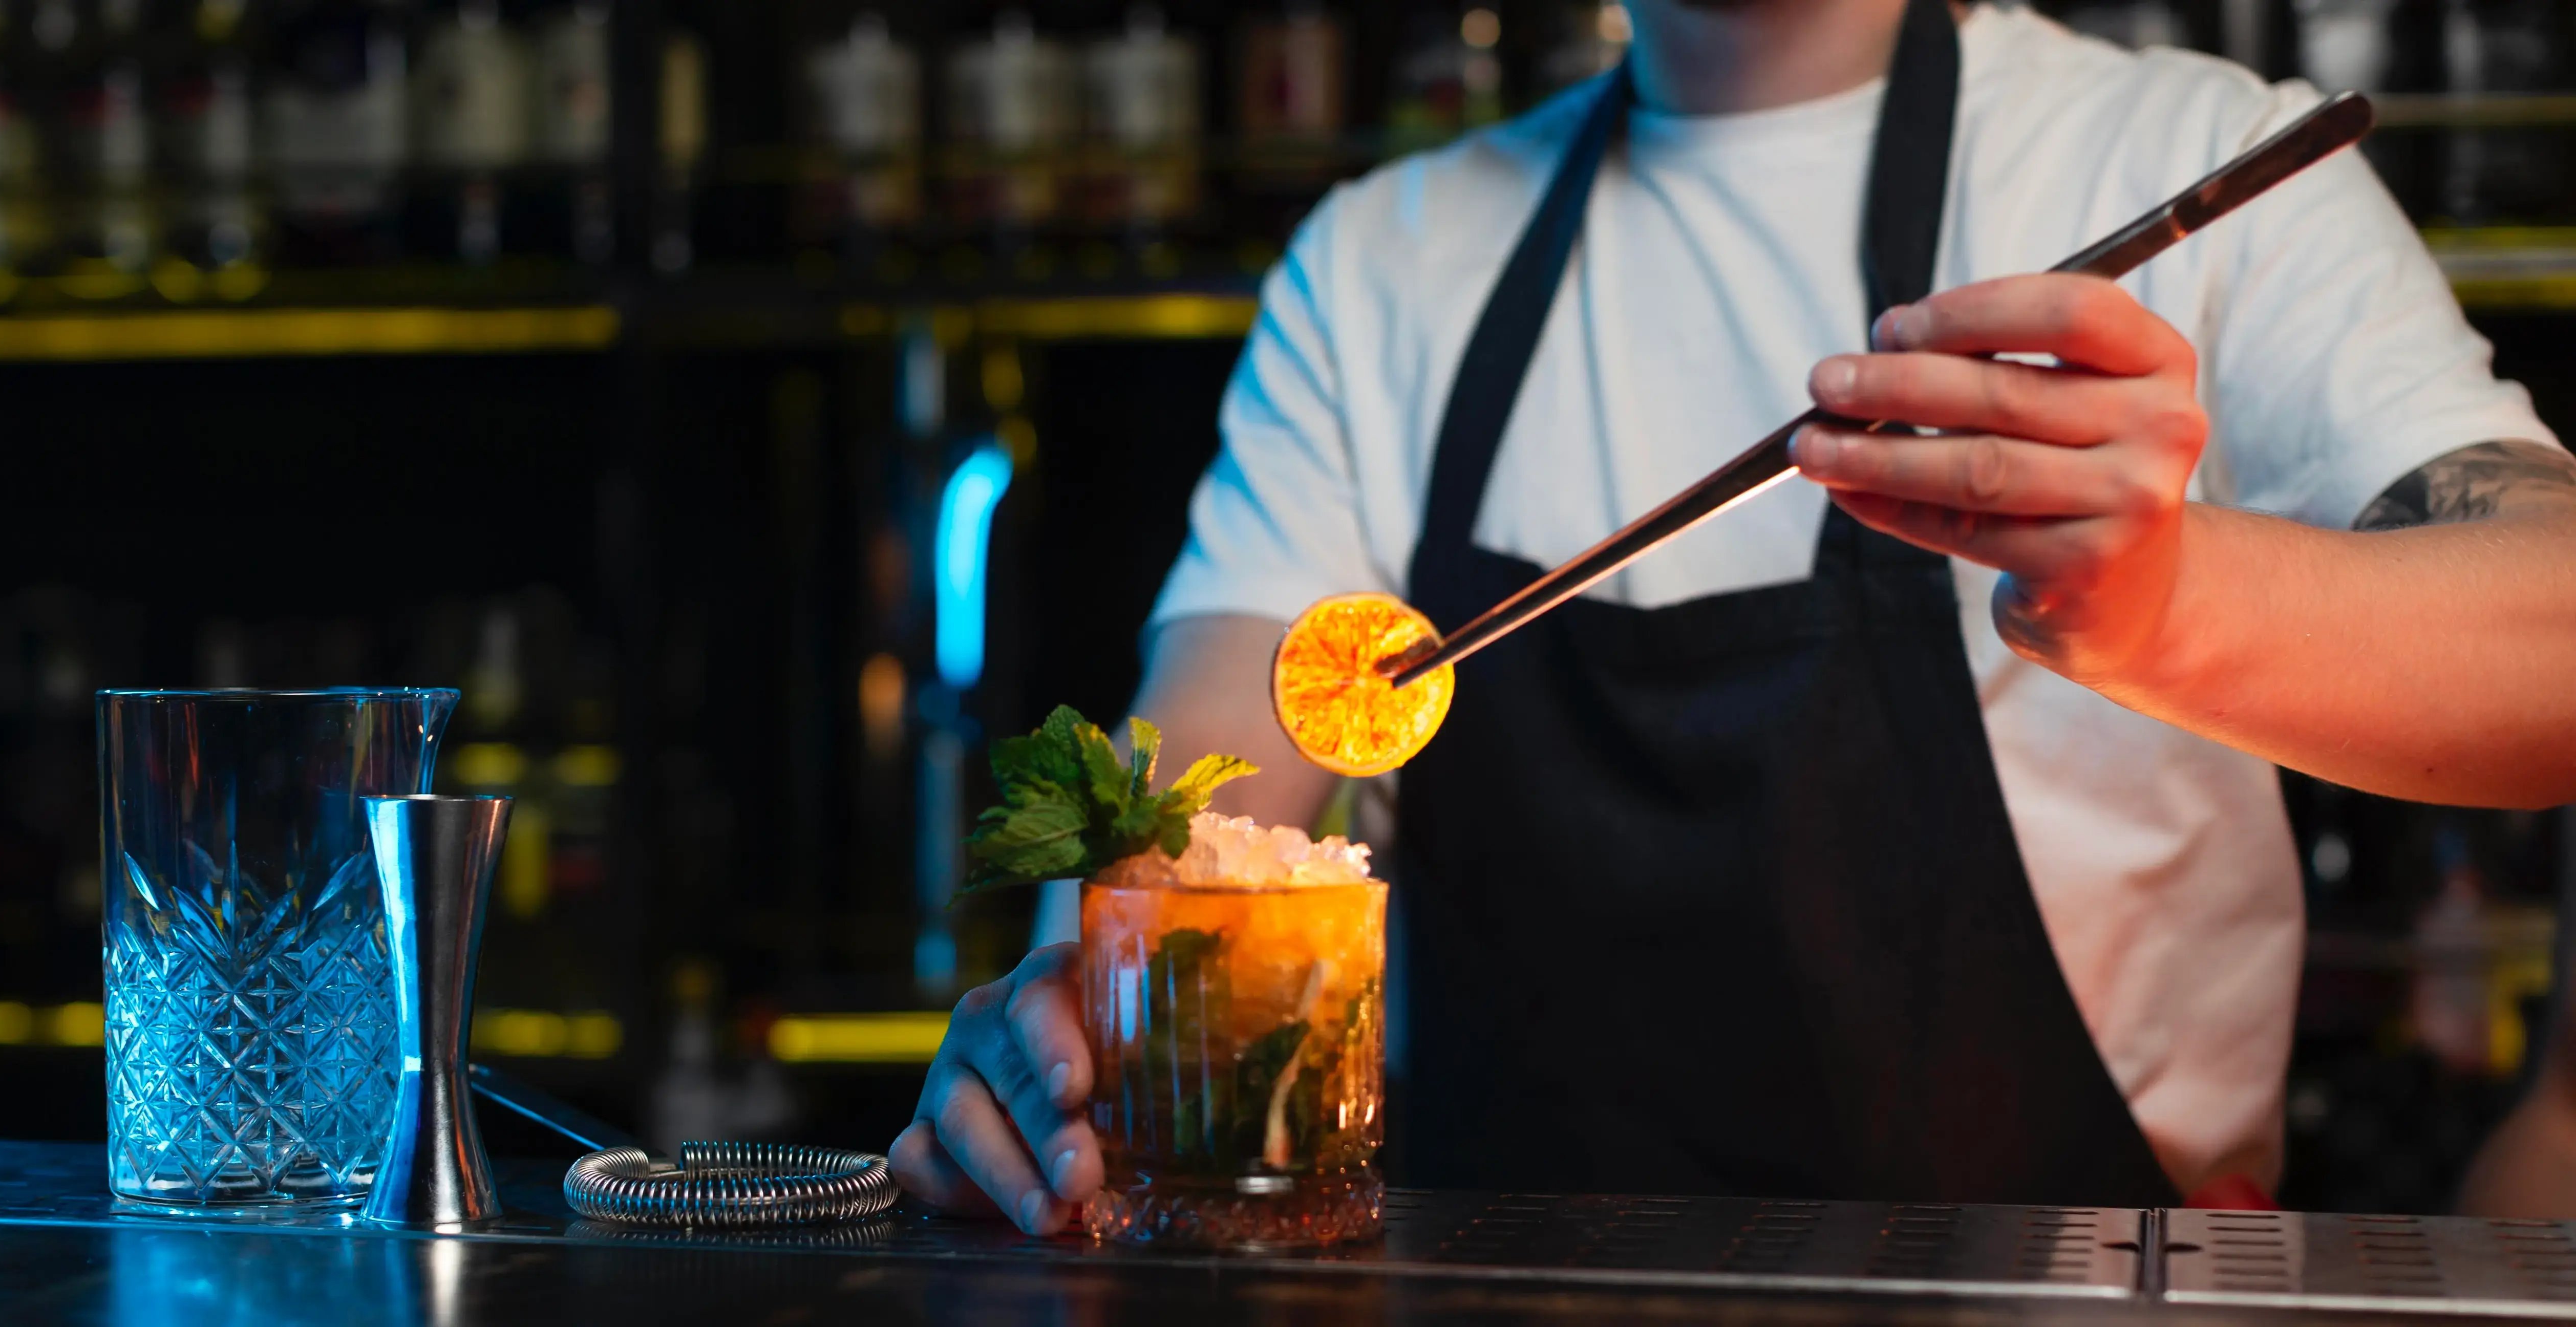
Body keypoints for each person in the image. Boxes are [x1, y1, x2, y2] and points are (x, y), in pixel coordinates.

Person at [896, 0, 2576, 1234]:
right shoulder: (1380, 265)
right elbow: (1215, 766)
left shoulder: (2186, 157)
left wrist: (2172, 595)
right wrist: (1084, 998)